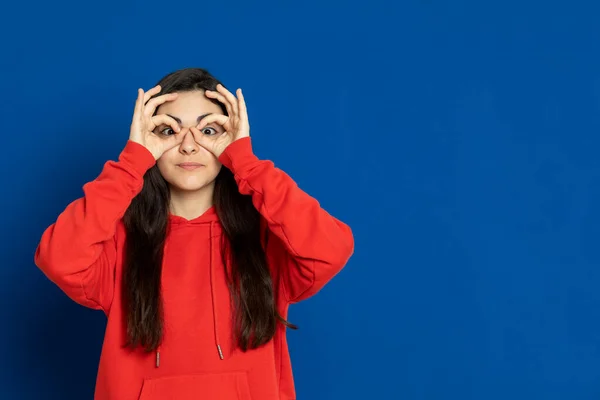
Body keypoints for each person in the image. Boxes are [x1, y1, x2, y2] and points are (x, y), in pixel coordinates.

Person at [34, 67, 354, 400]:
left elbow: (331, 249)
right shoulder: (116, 240)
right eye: (167, 130)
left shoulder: (268, 238)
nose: (189, 146)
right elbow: (59, 259)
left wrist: (246, 163)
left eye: (209, 129)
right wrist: (132, 164)